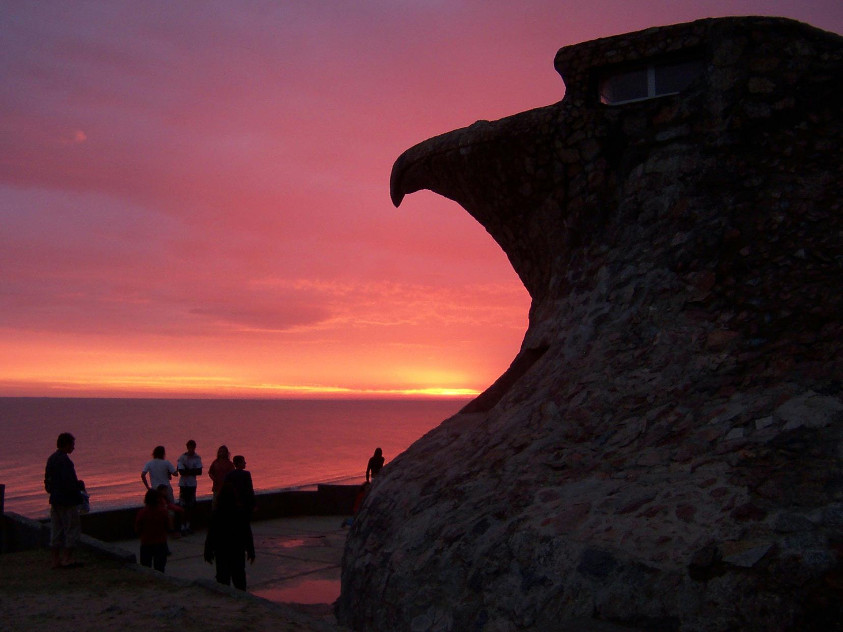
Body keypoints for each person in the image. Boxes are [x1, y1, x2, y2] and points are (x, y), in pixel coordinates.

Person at [204, 482, 255, 590]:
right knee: (239, 577)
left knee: (222, 578)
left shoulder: (217, 513)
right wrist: (251, 550)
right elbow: (247, 533)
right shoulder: (240, 512)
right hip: (237, 548)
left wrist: (208, 551)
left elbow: (211, 534)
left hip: (221, 549)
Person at [44, 432, 85, 569]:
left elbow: (48, 482)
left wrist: (53, 492)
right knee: (72, 529)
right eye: (72, 445)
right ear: (66, 444)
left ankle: (55, 560)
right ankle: (68, 559)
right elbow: (69, 483)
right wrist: (79, 490)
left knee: (56, 531)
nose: (74, 448)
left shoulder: (51, 459)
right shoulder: (65, 461)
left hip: (55, 500)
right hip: (67, 501)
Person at [135, 488, 169, 572]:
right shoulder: (163, 512)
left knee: (146, 569)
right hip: (160, 542)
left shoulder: (142, 513)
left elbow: (137, 529)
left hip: (146, 543)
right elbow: (168, 526)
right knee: (160, 568)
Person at [176, 439, 202, 535]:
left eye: (192, 447)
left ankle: (188, 526)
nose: (191, 449)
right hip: (184, 485)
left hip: (192, 485)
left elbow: (199, 472)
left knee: (190, 506)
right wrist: (192, 470)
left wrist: (187, 470)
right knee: (183, 506)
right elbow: (181, 472)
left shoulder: (197, 458)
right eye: (190, 447)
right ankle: (183, 527)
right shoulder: (182, 457)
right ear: (187, 447)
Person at [224, 455, 255, 519]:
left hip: (233, 502)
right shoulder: (246, 474)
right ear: (239, 463)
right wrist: (253, 503)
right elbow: (250, 490)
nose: (245, 463)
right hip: (244, 501)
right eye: (243, 462)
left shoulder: (229, 475)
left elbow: (227, 489)